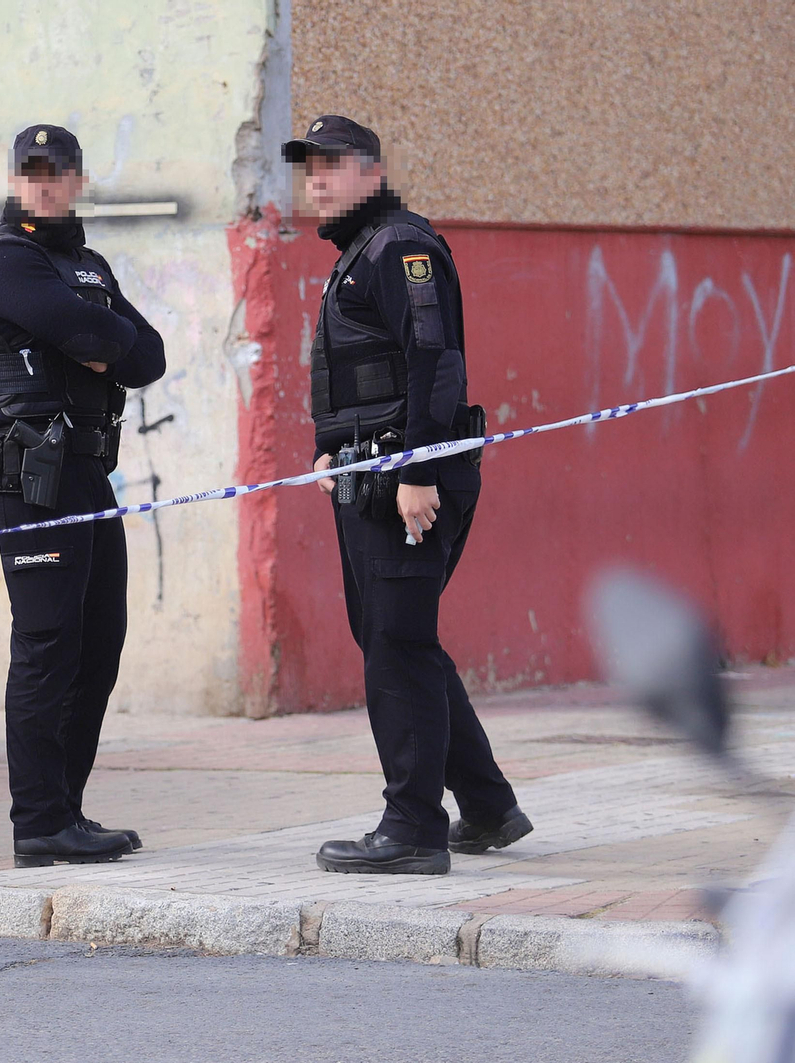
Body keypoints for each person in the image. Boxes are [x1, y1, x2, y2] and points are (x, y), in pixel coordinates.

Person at [284, 115, 532, 875]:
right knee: (397, 638)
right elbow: (368, 374)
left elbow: (435, 361)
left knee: (397, 643)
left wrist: (419, 470)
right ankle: (487, 806)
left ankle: (414, 827)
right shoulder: (363, 250)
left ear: (372, 170)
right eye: (309, 168)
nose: (316, 181)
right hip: (375, 479)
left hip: (406, 481)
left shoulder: (401, 247)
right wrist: (332, 445)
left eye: (331, 166)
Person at [0, 124, 166, 868]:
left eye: (58, 172)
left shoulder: (87, 262)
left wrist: (96, 337)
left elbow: (149, 354)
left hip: (86, 474)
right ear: (16, 179)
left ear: (78, 180)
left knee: (98, 644)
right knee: (48, 646)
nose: (44, 183)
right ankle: (38, 820)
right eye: (31, 171)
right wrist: (94, 336)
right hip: (30, 478)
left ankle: (66, 809)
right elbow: (85, 329)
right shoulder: (4, 260)